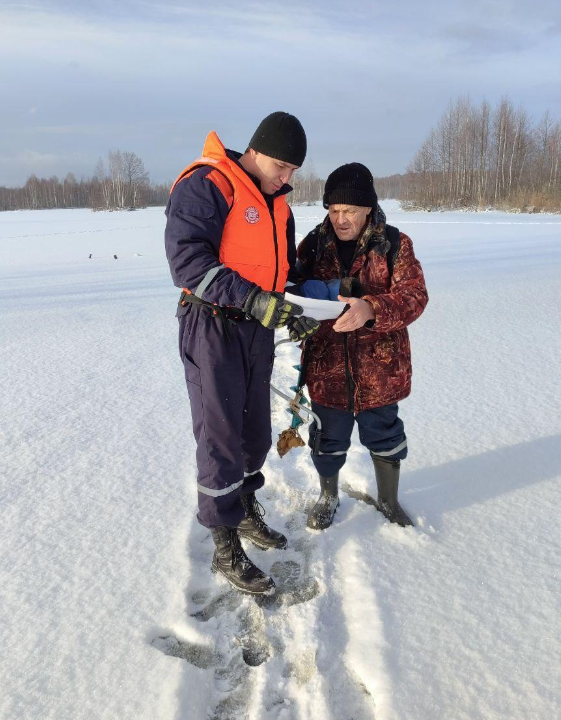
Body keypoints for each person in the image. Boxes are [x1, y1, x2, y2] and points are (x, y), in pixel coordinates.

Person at [164, 112, 319, 596]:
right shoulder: (209, 184)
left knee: (253, 434)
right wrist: (253, 299)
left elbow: (278, 272)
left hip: (255, 330)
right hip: (211, 328)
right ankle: (224, 540)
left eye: (294, 170)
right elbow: (187, 259)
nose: (286, 178)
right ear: (253, 151)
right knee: (220, 438)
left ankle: (246, 509)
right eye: (280, 165)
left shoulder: (279, 206)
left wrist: (297, 307)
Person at [295, 163, 428, 529]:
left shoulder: (395, 244)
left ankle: (388, 500)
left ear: (368, 208)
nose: (340, 219)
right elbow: (289, 288)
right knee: (326, 438)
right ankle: (327, 495)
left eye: (349, 211)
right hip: (327, 366)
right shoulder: (312, 244)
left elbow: (415, 296)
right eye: (334, 210)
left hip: (380, 368)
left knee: (385, 435)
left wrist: (372, 308)